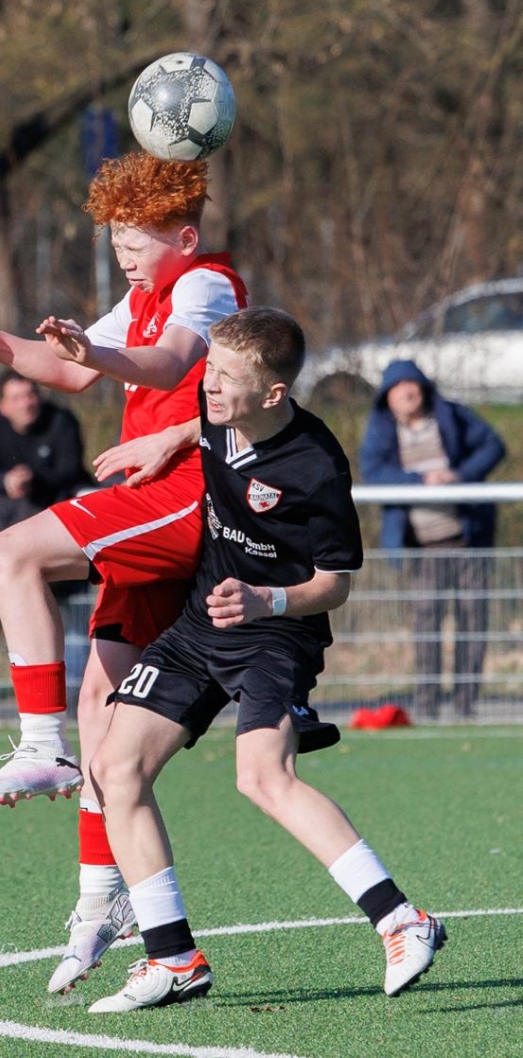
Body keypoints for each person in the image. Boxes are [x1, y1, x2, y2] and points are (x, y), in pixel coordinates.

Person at [0, 151, 249, 991]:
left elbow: (169, 362)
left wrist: (102, 356)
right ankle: (102, 906)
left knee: (8, 552)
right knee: (102, 721)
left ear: (184, 238)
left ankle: (40, 745)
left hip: (182, 497)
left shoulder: (205, 285)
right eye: (115, 243)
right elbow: (73, 369)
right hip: (148, 495)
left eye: (136, 242)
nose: (124, 257)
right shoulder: (144, 294)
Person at [84, 307, 446, 1013]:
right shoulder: (216, 407)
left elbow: (335, 585)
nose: (209, 386)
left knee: (262, 776)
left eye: (227, 377)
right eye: (210, 370)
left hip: (277, 633)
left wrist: (266, 602)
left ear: (273, 393)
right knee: (114, 767)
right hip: (201, 625)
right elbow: (199, 421)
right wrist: (164, 436)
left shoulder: (317, 466)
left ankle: (403, 920)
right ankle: (173, 959)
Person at [359, 359, 505, 718]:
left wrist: (458, 476)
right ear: (387, 397)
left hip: (468, 540)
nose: (407, 392)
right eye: (398, 388)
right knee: (426, 623)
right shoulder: (382, 429)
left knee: (473, 620)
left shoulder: (451, 415)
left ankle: (466, 704)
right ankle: (427, 705)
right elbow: (373, 472)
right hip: (422, 546)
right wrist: (420, 481)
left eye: (412, 384)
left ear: (423, 388)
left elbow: (492, 446)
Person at [0, 368, 91, 648]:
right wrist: (8, 482)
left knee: (73, 624)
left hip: (62, 529)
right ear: (3, 406)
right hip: (19, 533)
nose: (26, 403)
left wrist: (34, 481)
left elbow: (70, 470)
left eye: (30, 394)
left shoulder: (62, 421)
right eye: (16, 398)